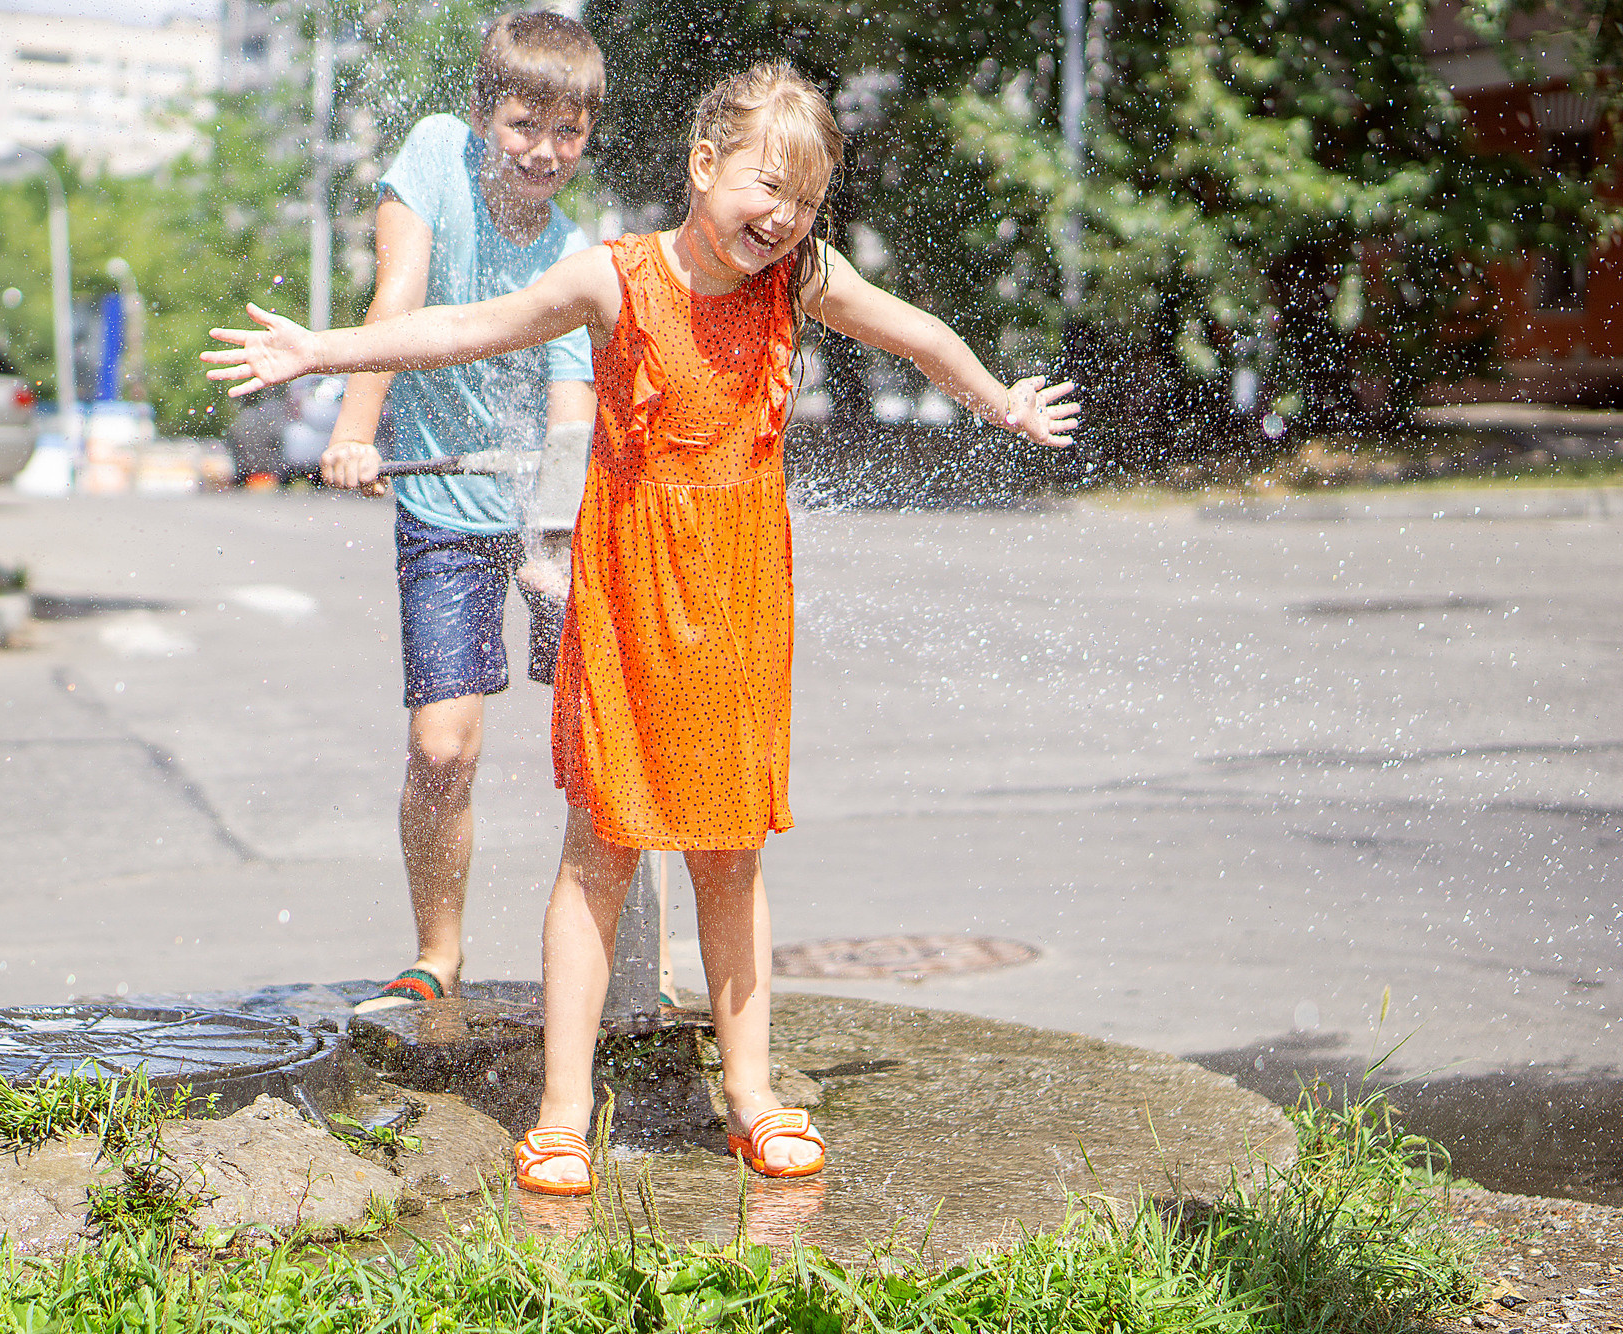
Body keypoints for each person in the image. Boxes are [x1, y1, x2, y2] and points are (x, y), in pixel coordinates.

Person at [203, 60, 1079, 1193]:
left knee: (729, 851)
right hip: (625, 601)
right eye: (766, 187)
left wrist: (998, 399)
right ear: (702, 165)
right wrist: (321, 352)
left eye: (805, 201)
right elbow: (467, 327)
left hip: (737, 604)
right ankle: (562, 1111)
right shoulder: (612, 281)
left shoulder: (799, 278)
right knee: (601, 848)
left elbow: (912, 330)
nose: (782, 218)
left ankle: (751, 1092)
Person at [318, 12, 605, 1011]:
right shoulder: (436, 152)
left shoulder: (576, 247)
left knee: (612, 743)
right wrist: (357, 428)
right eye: (524, 123)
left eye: (566, 133)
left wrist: (556, 541)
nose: (542, 151)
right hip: (442, 504)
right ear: (485, 112)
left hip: (545, 514)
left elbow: (574, 404)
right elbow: (395, 297)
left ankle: (618, 948)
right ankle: (437, 952)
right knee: (443, 749)